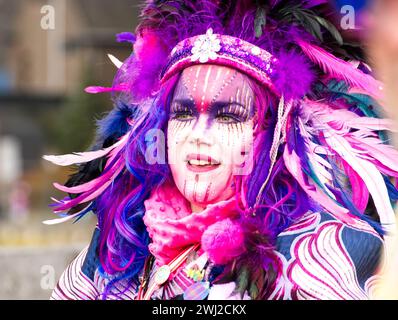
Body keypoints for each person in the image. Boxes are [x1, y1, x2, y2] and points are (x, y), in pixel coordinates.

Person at [44, 0, 398, 300]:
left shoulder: (323, 250)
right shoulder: (122, 240)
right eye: (183, 113)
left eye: (228, 116)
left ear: (271, 133)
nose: (199, 135)